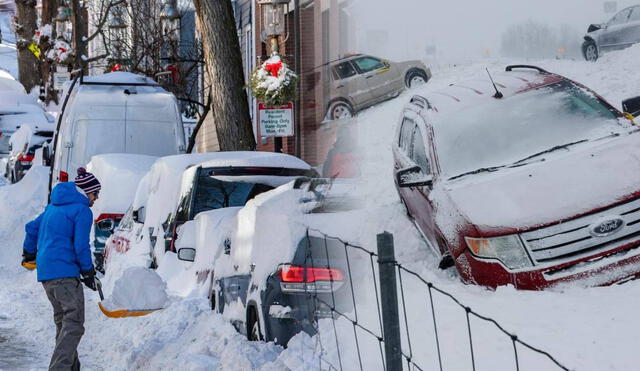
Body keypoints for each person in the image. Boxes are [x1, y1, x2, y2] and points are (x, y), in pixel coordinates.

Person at [22, 168, 101, 371]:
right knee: (74, 323)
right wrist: (88, 271)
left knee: (64, 322)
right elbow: (80, 246)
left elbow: (31, 228)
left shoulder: (53, 207)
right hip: (65, 274)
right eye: (95, 193)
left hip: (47, 275)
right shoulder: (82, 211)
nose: (96, 198)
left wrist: (29, 253)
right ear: (86, 192)